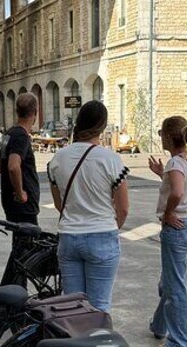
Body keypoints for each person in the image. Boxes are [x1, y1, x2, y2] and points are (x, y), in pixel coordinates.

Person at [48, 100, 130, 313]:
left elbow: (59, 204)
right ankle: (97, 344)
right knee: (99, 306)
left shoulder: (58, 159)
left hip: (68, 237)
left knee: (72, 305)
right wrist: (110, 227)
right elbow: (123, 209)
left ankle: (75, 344)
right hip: (102, 234)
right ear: (102, 126)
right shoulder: (111, 159)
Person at [148, 116, 187, 347]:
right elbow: (180, 187)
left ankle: (180, 341)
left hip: (177, 229)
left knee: (174, 286)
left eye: (161, 133)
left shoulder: (175, 164)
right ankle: (159, 325)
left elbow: (178, 193)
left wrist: (168, 213)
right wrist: (162, 175)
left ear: (169, 137)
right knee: (168, 282)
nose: (160, 137)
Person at [0, 94, 42, 284]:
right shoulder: (21, 136)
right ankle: (16, 292)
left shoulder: (9, 133)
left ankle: (11, 288)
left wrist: (8, 185)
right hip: (23, 205)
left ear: (16, 111)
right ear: (35, 113)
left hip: (9, 202)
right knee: (25, 251)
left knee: (20, 247)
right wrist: (20, 191)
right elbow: (13, 165)